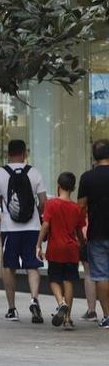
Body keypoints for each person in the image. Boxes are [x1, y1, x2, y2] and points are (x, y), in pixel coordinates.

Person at [0, 139, 48, 323]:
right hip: (32, 227)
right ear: (24, 153)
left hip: (9, 229)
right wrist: (38, 216)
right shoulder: (34, 172)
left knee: (9, 267)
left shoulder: (0, 174)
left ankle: (12, 309)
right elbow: (44, 202)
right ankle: (34, 299)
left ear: (8, 153)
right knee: (33, 265)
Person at [36, 172, 86, 330]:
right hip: (72, 250)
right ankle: (68, 319)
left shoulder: (51, 204)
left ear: (58, 185)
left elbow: (45, 225)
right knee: (68, 281)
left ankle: (61, 303)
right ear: (74, 188)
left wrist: (38, 244)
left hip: (55, 248)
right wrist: (82, 244)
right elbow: (79, 231)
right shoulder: (77, 208)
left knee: (54, 279)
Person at [78, 139, 109, 329]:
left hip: (97, 232)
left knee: (101, 275)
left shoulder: (87, 177)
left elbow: (81, 207)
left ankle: (106, 315)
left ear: (94, 156)